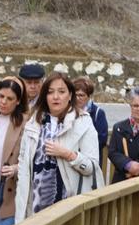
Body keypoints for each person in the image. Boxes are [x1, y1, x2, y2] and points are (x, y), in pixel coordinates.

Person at [14, 72, 102, 216]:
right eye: (50, 92)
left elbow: (92, 167)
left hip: (70, 207)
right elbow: (24, 167)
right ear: (45, 96)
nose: (55, 97)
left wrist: (67, 154)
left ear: (70, 95)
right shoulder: (33, 123)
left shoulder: (83, 122)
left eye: (61, 92)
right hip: (35, 207)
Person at [0, 78, 27, 225]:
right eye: (1, 96)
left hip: (10, 190)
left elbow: (30, 158)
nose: (3, 102)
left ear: (18, 101)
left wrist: (15, 168)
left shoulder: (26, 123)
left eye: (9, 98)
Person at [72, 76, 108, 159]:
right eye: (75, 95)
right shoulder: (68, 111)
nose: (77, 98)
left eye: (81, 95)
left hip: (90, 158)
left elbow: (101, 140)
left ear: (89, 96)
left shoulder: (98, 113)